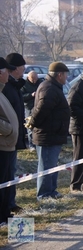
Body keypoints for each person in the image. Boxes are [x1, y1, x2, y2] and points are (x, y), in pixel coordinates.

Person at [25, 62, 71, 199]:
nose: (67, 78)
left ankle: (51, 191)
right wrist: (33, 123)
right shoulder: (49, 88)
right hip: (47, 134)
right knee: (46, 166)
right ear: (60, 75)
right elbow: (41, 110)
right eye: (66, 75)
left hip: (53, 133)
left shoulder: (53, 87)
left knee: (52, 165)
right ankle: (44, 195)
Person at [4, 53, 27, 213]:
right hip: (6, 139)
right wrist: (10, 129)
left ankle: (10, 203)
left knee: (11, 172)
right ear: (14, 69)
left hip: (14, 137)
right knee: (6, 174)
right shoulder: (6, 88)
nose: (24, 70)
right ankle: (5, 206)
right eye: (22, 67)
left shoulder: (15, 86)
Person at [0, 57, 18, 225]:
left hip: (8, 145)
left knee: (5, 183)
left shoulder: (2, 91)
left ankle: (5, 214)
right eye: (7, 71)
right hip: (2, 145)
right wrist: (9, 129)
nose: (10, 74)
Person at [21, 71, 43, 151]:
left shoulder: (40, 82)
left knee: (39, 126)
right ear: (28, 78)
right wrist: (31, 95)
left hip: (39, 107)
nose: (34, 80)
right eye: (32, 79)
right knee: (30, 126)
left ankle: (38, 144)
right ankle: (31, 145)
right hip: (29, 107)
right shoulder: (24, 84)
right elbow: (21, 96)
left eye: (36, 78)